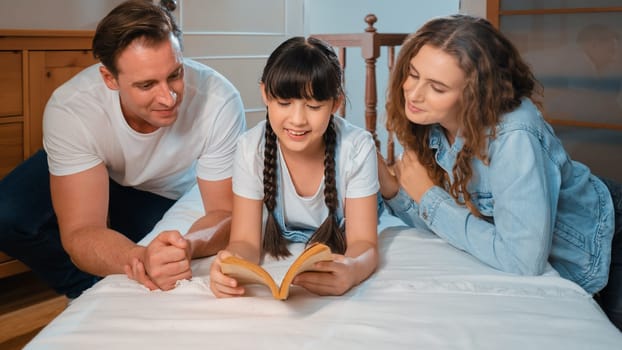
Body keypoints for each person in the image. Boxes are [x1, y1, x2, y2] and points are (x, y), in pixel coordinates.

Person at [376, 14, 622, 330]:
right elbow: (454, 225)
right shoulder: (433, 122)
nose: (413, 94)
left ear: (475, 94)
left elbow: (522, 260)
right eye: (412, 74)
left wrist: (428, 195)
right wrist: (395, 192)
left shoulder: (513, 134)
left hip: (605, 235)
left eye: (437, 87)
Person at [0, 0, 246, 298]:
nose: (168, 98)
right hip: (98, 172)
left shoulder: (219, 100)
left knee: (161, 254)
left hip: (165, 194)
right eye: (146, 85)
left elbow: (225, 212)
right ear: (109, 79)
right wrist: (137, 259)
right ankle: (86, 292)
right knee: (7, 214)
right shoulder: (72, 107)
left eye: (175, 75)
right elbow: (81, 230)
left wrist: (186, 246)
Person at [209, 36, 379, 298]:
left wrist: (353, 270)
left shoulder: (357, 147)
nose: (298, 120)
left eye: (313, 106)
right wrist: (230, 264)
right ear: (265, 94)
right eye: (284, 103)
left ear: (336, 103)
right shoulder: (249, 147)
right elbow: (244, 241)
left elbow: (363, 243)